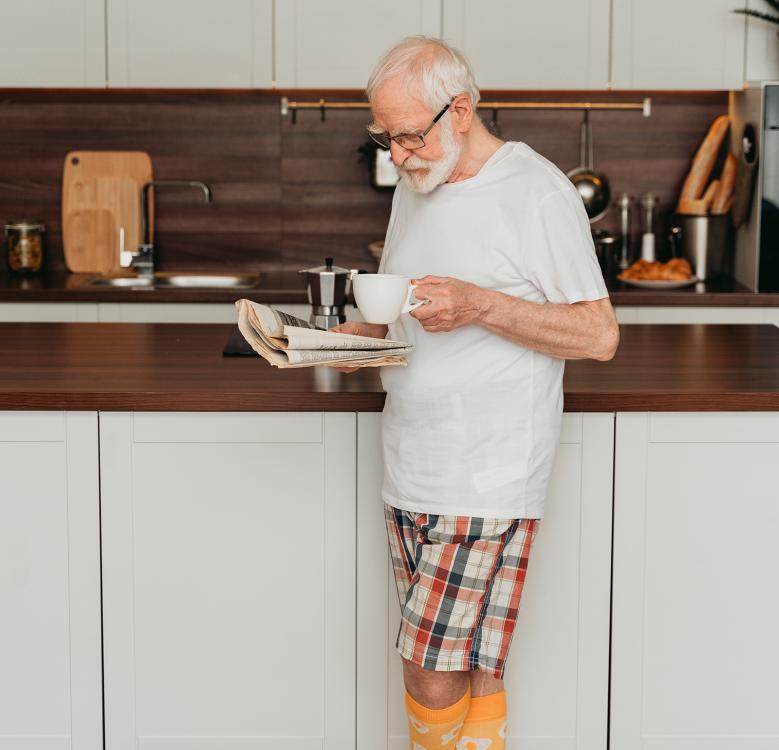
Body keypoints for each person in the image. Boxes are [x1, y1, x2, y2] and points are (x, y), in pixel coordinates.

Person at [333, 36, 619, 750]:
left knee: (428, 665)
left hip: (488, 472)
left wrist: (480, 305)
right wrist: (344, 342)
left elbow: (596, 335)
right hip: (409, 460)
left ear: (459, 110)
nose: (395, 155)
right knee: (474, 664)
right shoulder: (416, 184)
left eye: (404, 136)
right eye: (384, 137)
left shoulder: (536, 192)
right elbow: (399, 314)